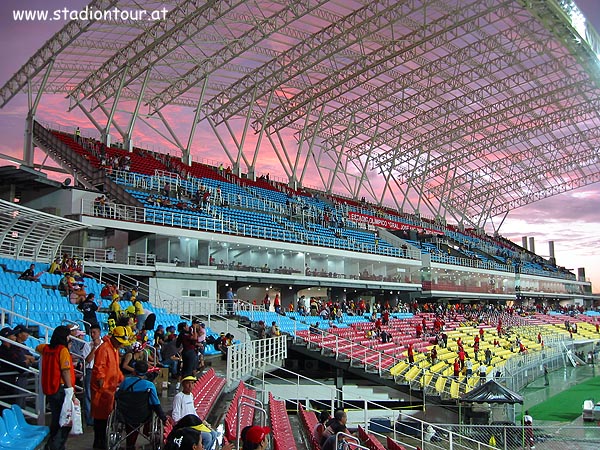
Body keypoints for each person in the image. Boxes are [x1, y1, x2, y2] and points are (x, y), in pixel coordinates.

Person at [36, 325, 76, 450]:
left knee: (56, 417)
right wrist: (71, 390)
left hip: (49, 388)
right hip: (61, 388)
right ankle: (55, 446)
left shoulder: (46, 348)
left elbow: (38, 347)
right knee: (65, 421)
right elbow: (65, 371)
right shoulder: (62, 350)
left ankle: (53, 444)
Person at [91, 326, 128, 449]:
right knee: (101, 420)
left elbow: (116, 369)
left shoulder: (114, 349)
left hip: (110, 389)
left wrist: (122, 380)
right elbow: (99, 368)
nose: (121, 345)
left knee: (107, 417)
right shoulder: (104, 349)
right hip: (102, 390)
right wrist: (101, 384)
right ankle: (99, 444)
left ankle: (105, 442)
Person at [117, 360, 167, 450]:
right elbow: (155, 403)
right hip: (143, 415)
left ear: (134, 370)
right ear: (146, 372)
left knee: (130, 415)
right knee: (150, 408)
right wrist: (163, 418)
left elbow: (118, 396)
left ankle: (130, 443)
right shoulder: (149, 385)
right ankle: (146, 432)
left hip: (125, 413)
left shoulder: (125, 381)